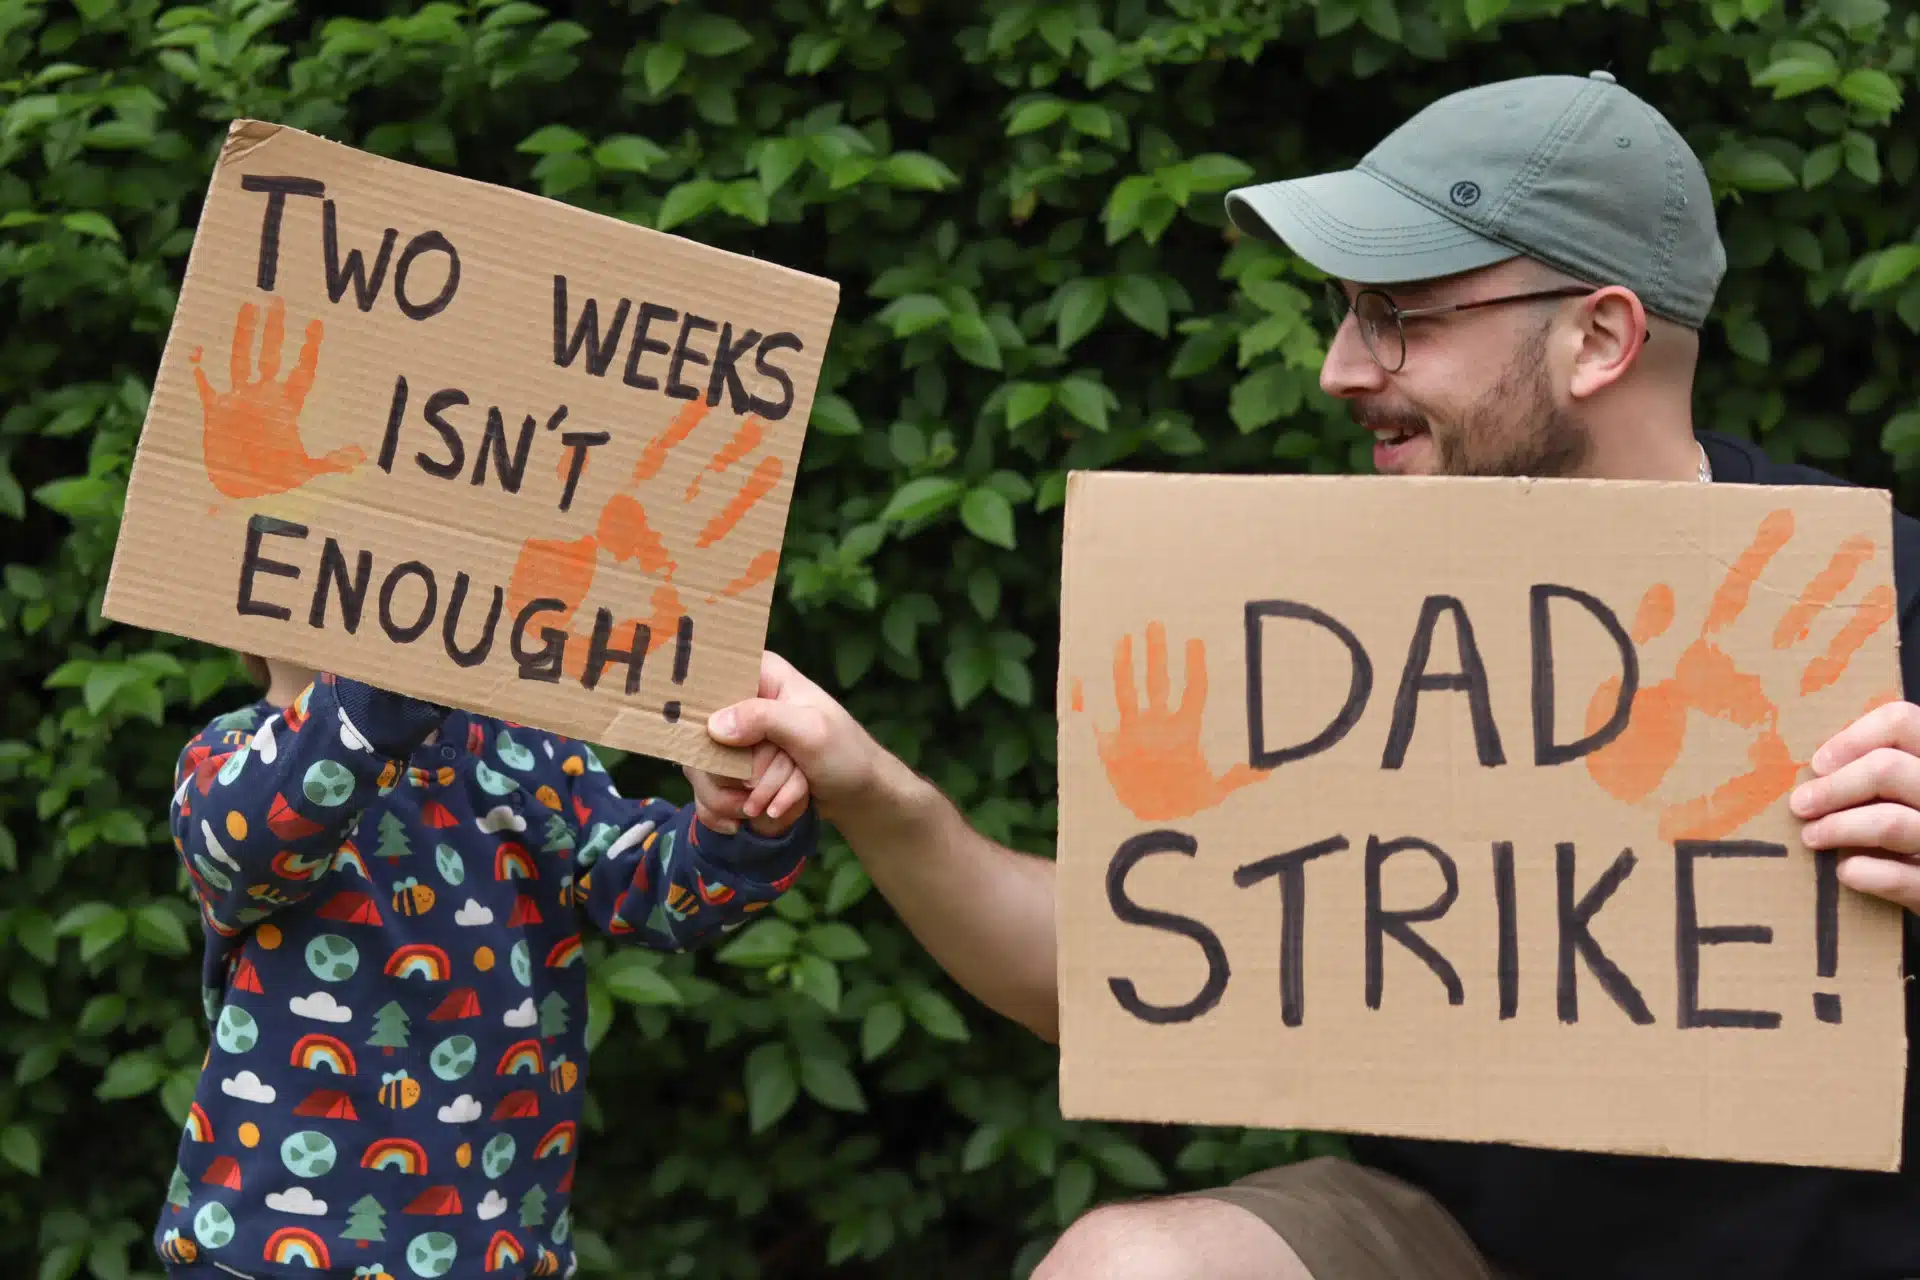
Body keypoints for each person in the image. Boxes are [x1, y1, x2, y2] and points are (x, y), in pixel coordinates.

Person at [688, 71, 1920, 1280]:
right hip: (1447, 1242)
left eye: (1397, 314)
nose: (1338, 365)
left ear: (1598, 336)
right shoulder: (1332, 627)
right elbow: (1120, 974)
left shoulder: (1874, 603)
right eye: (1344, 309)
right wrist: (876, 793)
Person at [152, 657, 815, 1277]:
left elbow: (650, 891)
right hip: (269, 1242)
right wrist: (371, 699)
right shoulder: (233, 755)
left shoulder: (528, 751)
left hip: (492, 1242)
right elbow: (245, 846)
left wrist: (744, 825)